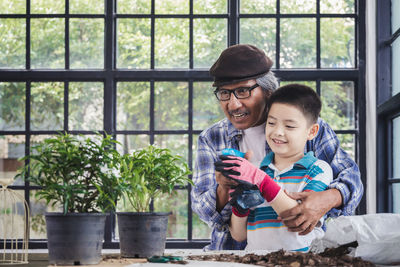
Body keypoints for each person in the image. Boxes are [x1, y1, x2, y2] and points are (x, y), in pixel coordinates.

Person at [190, 44, 363, 250]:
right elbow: (206, 213)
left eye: (243, 91)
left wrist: (328, 198)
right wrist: (223, 188)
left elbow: (351, 178)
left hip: (302, 252)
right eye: (224, 93)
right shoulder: (212, 138)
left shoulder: (307, 127)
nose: (233, 104)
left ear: (268, 91)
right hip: (233, 253)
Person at [215, 84, 333, 252]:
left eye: (290, 126)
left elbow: (297, 218)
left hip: (301, 262)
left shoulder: (318, 170)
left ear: (312, 131)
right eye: (271, 123)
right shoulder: (259, 171)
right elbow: (239, 235)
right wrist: (240, 206)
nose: (277, 132)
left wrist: (261, 181)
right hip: (255, 261)